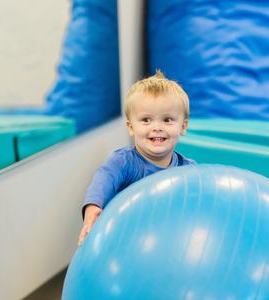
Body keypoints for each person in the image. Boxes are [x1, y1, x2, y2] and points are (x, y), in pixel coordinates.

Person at [77, 70, 195, 245]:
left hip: (169, 242)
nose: (157, 127)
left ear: (183, 126)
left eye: (167, 119)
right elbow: (103, 180)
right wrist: (93, 208)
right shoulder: (123, 162)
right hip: (128, 242)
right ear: (131, 127)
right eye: (146, 120)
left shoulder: (189, 170)